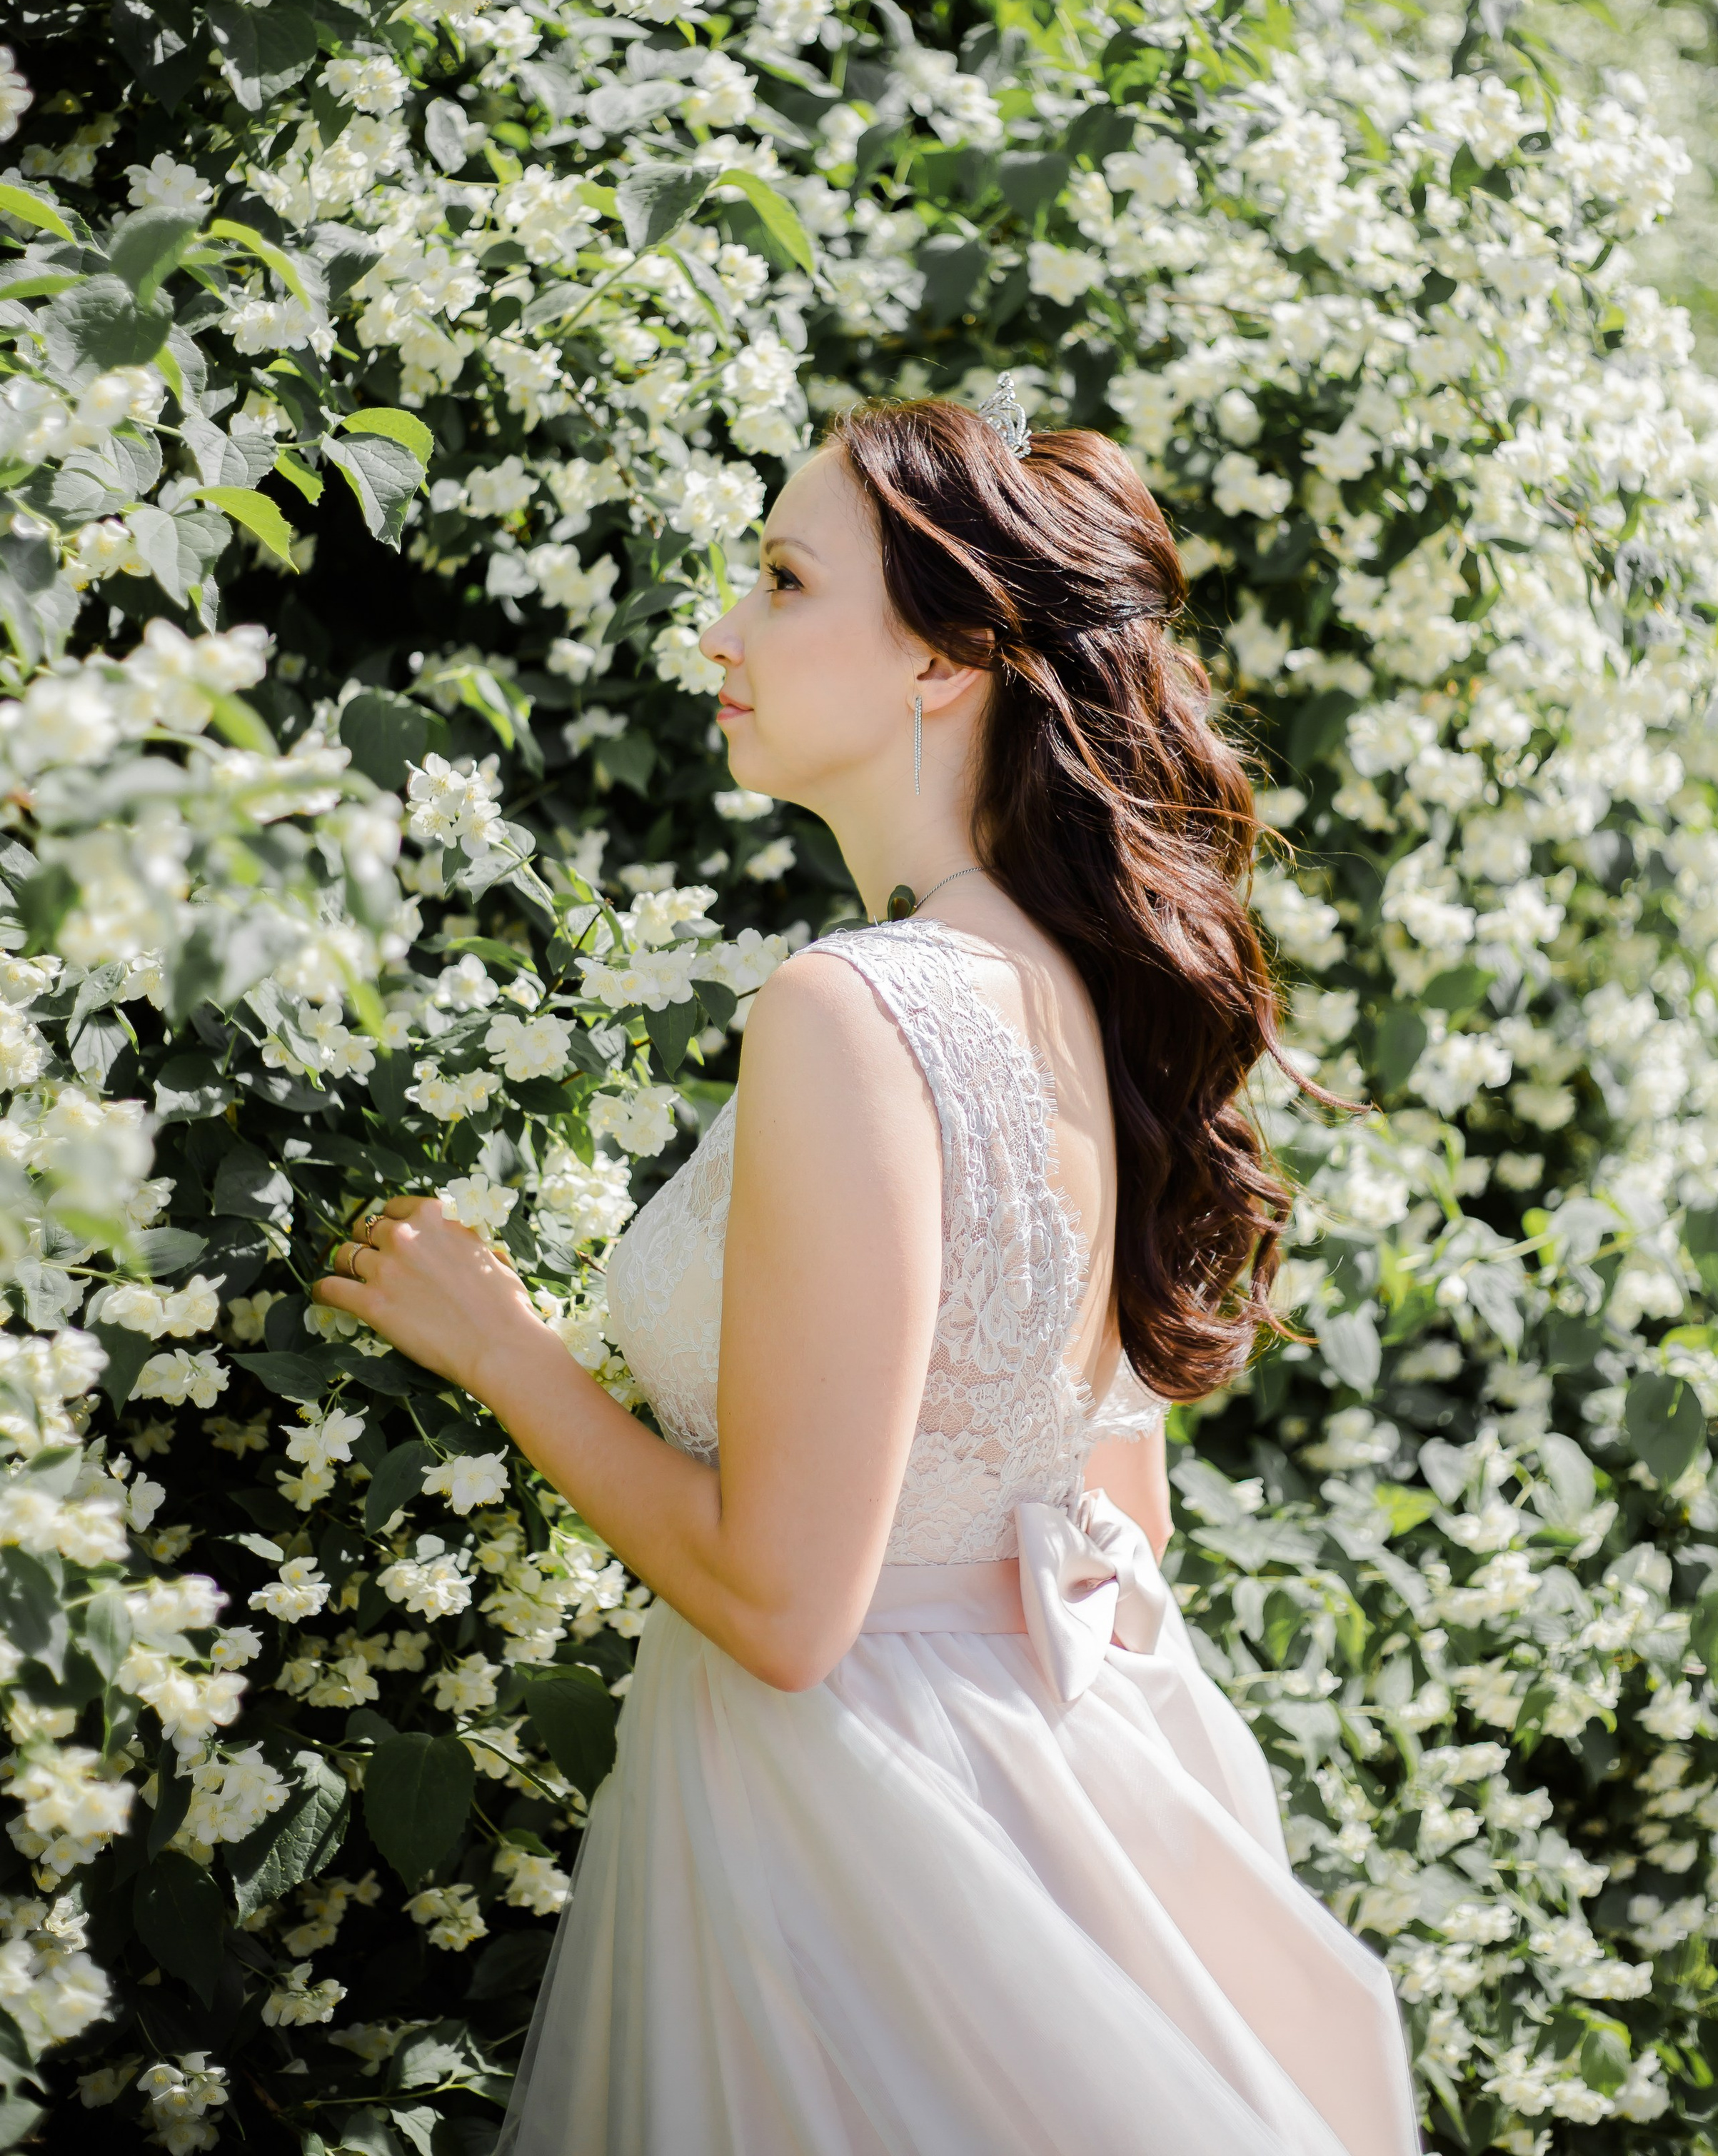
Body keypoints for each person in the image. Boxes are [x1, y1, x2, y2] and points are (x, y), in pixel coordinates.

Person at [320, 383, 1420, 2156]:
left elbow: (782, 1609)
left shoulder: (856, 1009)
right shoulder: (1082, 994)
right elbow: (1116, 1517)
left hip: (842, 1825)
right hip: (1047, 1775)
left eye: (779, 581)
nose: (719, 631)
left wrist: (507, 1354)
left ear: (945, 659)